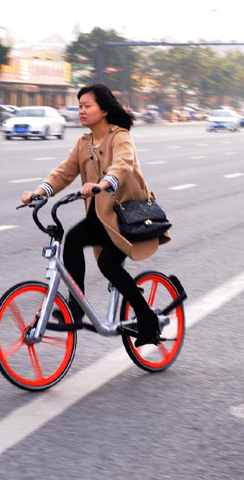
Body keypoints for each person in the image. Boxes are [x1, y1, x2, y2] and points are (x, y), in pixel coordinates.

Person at [20, 84, 171, 346]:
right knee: (73, 240)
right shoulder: (84, 143)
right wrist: (41, 192)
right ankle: (75, 306)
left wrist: (104, 183)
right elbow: (64, 172)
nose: (81, 111)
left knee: (108, 265)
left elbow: (122, 164)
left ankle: (146, 318)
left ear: (103, 110)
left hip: (126, 217)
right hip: (101, 217)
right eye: (79, 106)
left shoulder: (119, 136)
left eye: (86, 106)